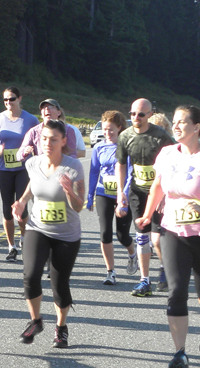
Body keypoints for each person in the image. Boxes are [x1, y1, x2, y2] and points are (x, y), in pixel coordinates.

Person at [135, 106, 200, 367]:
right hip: (172, 232)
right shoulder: (166, 153)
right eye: (174, 122)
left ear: (197, 127)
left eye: (181, 122)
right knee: (176, 291)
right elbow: (157, 186)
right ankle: (180, 353)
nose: (175, 126)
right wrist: (147, 214)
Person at [11, 120, 85, 348]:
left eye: (53, 139)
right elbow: (33, 185)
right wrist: (22, 202)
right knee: (30, 275)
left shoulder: (73, 167)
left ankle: (61, 328)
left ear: (63, 141)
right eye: (44, 138)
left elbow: (79, 206)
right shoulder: (33, 163)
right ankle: (35, 321)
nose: (48, 143)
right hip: (37, 227)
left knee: (59, 283)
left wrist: (70, 192)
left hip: (66, 234)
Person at [117, 98, 174, 297]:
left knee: (157, 240)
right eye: (132, 113)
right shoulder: (125, 136)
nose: (136, 118)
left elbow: (174, 163)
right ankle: (144, 281)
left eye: (141, 114)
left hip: (158, 193)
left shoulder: (161, 136)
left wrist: (167, 195)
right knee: (141, 237)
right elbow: (121, 164)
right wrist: (120, 192)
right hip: (137, 192)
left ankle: (166, 269)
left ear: (150, 114)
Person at [87, 111, 138, 285]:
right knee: (105, 233)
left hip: (123, 194)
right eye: (105, 129)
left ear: (119, 128)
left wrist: (123, 194)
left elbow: (130, 173)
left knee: (122, 235)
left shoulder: (126, 147)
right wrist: (90, 195)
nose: (107, 132)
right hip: (103, 193)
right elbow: (94, 171)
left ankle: (133, 254)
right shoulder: (98, 147)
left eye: (111, 129)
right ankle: (110, 271)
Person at [0, 87, 40, 262]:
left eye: (11, 99)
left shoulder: (30, 119)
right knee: (7, 209)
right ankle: (11, 246)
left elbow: (37, 142)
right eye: (5, 100)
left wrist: (29, 149)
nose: (8, 103)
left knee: (21, 206)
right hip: (4, 169)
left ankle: (24, 236)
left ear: (19, 98)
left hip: (23, 169)